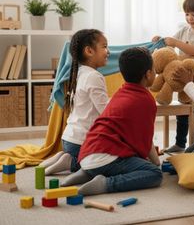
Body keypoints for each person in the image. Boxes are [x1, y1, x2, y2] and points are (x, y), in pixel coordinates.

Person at [60, 47, 162, 196]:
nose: (154, 73)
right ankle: (106, 183)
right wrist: (156, 163)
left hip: (86, 154)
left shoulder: (120, 93)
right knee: (154, 174)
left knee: (114, 159)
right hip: (104, 158)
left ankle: (87, 173)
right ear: (148, 74)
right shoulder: (146, 100)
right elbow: (145, 141)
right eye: (154, 70)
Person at [41, 29, 110, 175]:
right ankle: (72, 162)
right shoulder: (94, 76)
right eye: (104, 47)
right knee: (101, 163)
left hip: (69, 139)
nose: (108, 51)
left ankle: (62, 156)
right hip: (82, 142)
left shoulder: (80, 73)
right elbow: (106, 112)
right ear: (89, 51)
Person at [152, 0, 194, 152]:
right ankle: (180, 143)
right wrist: (161, 40)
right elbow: (170, 46)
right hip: (183, 81)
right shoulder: (184, 30)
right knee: (182, 115)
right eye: (187, 14)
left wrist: (175, 42)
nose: (190, 18)